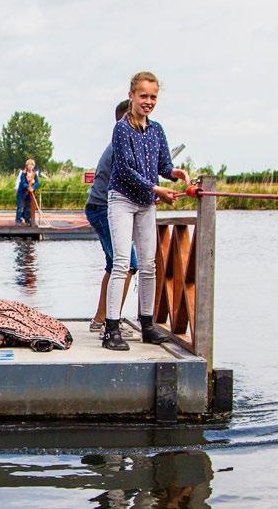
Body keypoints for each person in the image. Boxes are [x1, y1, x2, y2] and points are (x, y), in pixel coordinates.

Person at [104, 71, 190, 351]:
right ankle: (112, 329)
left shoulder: (156, 130)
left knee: (149, 265)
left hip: (146, 203)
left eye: (153, 97)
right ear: (131, 96)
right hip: (123, 199)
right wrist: (158, 191)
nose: (148, 101)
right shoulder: (122, 129)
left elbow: (163, 166)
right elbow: (127, 170)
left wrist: (176, 173)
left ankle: (147, 325)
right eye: (143, 96)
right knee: (120, 263)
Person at [85, 100, 138, 338]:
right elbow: (128, 178)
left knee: (114, 265)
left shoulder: (122, 143)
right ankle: (110, 323)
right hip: (104, 208)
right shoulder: (122, 143)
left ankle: (100, 320)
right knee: (128, 265)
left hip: (99, 206)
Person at [15, 158, 39, 225]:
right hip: (21, 192)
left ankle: (27, 219)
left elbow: (37, 182)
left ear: (33, 166)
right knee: (20, 206)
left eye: (32, 165)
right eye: (29, 164)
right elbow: (23, 182)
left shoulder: (34, 174)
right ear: (27, 165)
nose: (30, 166)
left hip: (29, 193)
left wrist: (33, 188)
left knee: (28, 206)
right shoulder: (23, 173)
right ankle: (18, 220)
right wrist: (28, 187)